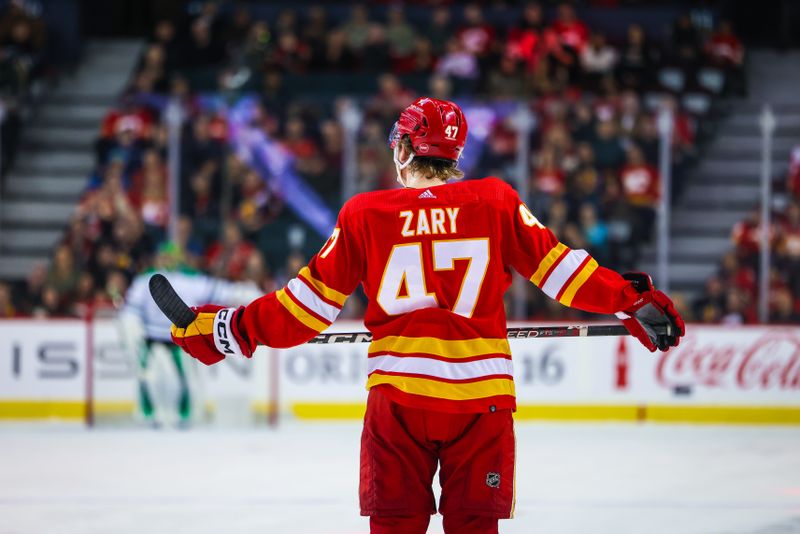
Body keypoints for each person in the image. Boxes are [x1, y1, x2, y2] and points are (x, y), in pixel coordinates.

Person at [170, 98, 684, 533]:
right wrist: (630, 298)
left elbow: (304, 309)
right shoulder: (494, 201)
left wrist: (226, 331)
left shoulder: (364, 213)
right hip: (480, 404)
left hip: (399, 406)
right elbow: (565, 274)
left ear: (405, 147)